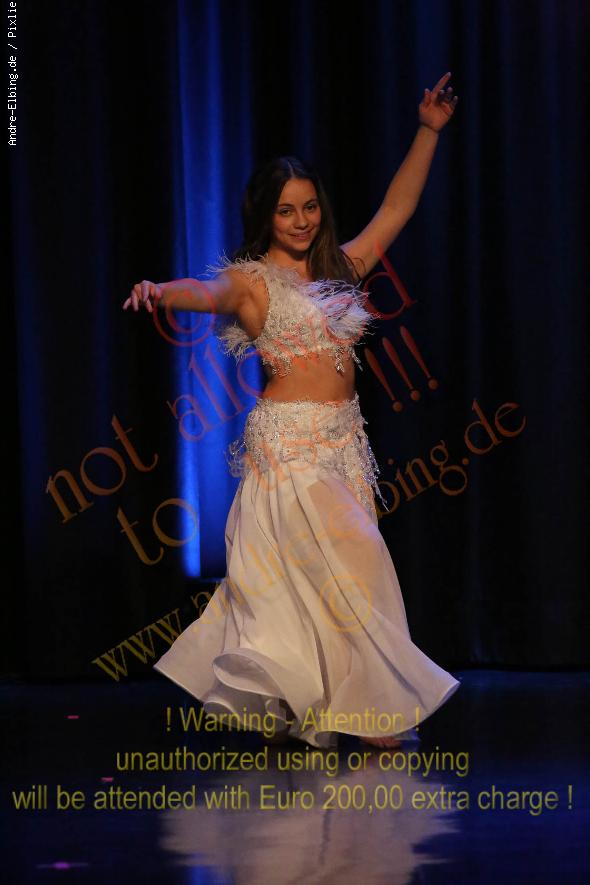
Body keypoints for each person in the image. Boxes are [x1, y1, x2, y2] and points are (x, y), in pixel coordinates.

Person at [123, 73, 460, 750]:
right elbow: (204, 293)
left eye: (309, 208)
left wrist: (428, 131)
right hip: (290, 446)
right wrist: (160, 290)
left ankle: (330, 706)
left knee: (339, 579)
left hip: (345, 443)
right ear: (266, 217)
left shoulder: (341, 267)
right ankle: (363, 715)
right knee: (345, 567)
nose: (301, 221)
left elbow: (396, 209)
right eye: (286, 211)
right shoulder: (252, 282)